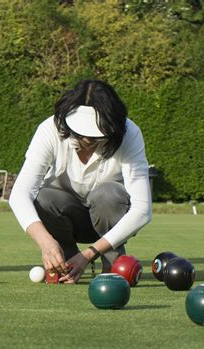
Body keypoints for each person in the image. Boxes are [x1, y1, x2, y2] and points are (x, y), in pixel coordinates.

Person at [9, 79, 152, 284]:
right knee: (43, 197)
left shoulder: (130, 134)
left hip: (108, 218)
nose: (88, 138)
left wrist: (89, 253)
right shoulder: (49, 130)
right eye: (83, 131)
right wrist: (46, 242)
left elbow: (142, 210)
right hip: (67, 218)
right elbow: (20, 193)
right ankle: (65, 258)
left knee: (108, 194)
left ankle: (111, 262)